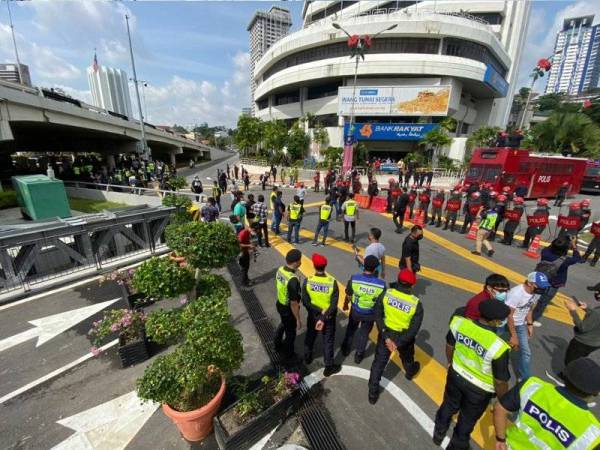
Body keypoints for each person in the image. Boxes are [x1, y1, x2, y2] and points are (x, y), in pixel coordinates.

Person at [433, 300, 511, 448]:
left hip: (456, 375)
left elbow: (450, 345)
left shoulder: (459, 324)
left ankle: (438, 433)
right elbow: (500, 381)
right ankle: (457, 444)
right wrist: (502, 400)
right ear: (495, 321)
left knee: (448, 405)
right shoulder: (498, 346)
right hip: (480, 389)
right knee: (466, 420)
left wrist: (450, 362)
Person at [493, 357, 600, 450]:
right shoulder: (594, 433)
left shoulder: (533, 386)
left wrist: (500, 440)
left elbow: (500, 408)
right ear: (596, 393)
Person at [368, 269, 423, 404]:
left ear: (398, 281)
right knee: (407, 358)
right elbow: (413, 330)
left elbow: (378, 315)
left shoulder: (387, 294)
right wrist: (398, 343)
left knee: (379, 363)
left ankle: (372, 394)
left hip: (386, 333)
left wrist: (386, 337)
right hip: (404, 338)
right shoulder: (416, 304)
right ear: (412, 285)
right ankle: (410, 372)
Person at [505, 272, 550, 381]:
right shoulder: (516, 294)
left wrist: (529, 324)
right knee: (500, 347)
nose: (543, 289)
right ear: (530, 283)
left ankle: (524, 379)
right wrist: (514, 335)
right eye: (540, 286)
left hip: (520, 324)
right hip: (506, 324)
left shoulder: (536, 293)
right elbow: (509, 315)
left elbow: (529, 308)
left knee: (526, 352)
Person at [302, 253, 341, 377]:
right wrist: (323, 314)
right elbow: (334, 305)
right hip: (328, 318)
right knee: (328, 341)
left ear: (313, 266)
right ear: (325, 266)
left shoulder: (308, 281)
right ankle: (329, 367)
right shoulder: (332, 282)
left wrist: (317, 311)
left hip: (313, 316)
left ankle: (307, 357)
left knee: (310, 335)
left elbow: (305, 301)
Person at [342, 255, 386, 364]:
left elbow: (348, 294)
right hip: (370, 314)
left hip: (356, 311)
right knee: (364, 334)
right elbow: (382, 303)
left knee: (351, 329)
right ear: (376, 268)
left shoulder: (354, 278)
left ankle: (346, 348)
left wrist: (345, 304)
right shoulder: (381, 285)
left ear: (363, 265)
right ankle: (359, 354)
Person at [532, 236, 582, 326]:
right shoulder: (565, 261)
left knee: (532, 297)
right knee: (543, 302)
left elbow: (550, 246)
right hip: (554, 283)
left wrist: (559, 241)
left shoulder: (545, 252)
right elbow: (578, 258)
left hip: (540, 278)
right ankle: (534, 318)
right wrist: (574, 245)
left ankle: (525, 313)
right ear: (565, 250)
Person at [274, 249, 303, 361]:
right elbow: (294, 303)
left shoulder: (280, 270)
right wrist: (298, 319)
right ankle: (289, 355)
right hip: (288, 309)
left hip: (279, 303)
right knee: (291, 333)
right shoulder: (293, 280)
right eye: (300, 260)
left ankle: (276, 343)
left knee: (283, 324)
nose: (301, 262)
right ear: (295, 262)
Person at [563, 283, 600, 366]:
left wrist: (572, 311)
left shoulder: (597, 313)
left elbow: (582, 327)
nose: (596, 294)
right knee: (579, 359)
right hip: (595, 342)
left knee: (570, 361)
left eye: (597, 292)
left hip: (583, 342)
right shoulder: (596, 313)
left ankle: (567, 376)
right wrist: (587, 309)